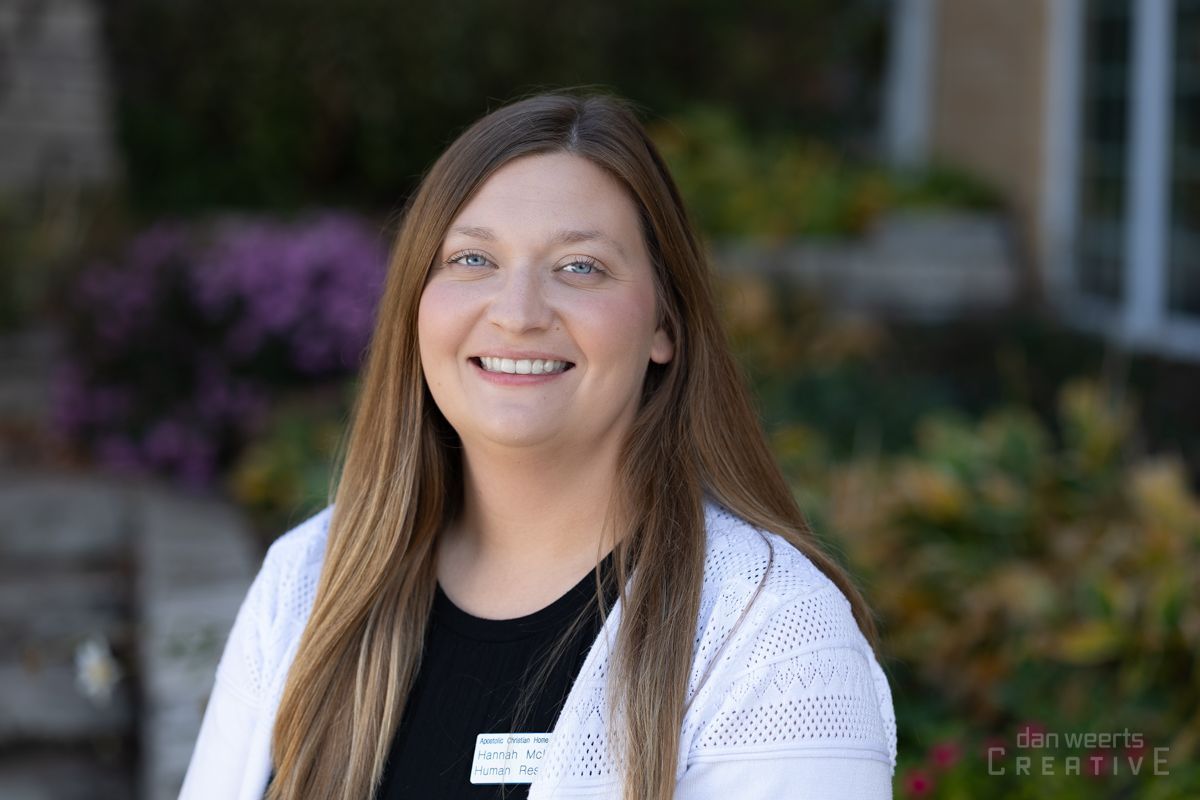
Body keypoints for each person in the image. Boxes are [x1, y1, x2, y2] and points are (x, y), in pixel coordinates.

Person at [179, 91, 897, 800]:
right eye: (472, 260)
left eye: (580, 267)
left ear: (664, 326)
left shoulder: (770, 633)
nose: (518, 314)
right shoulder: (307, 580)